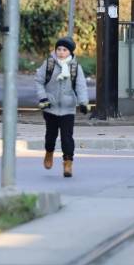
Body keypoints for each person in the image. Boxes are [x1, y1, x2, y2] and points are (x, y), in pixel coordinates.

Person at [35, 37, 89, 178]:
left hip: (68, 109)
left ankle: (68, 163)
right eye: (58, 49)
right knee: (51, 136)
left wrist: (83, 103)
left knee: (67, 137)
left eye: (64, 50)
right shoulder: (49, 64)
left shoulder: (75, 67)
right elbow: (39, 81)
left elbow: (81, 86)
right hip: (50, 107)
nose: (61, 52)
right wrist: (43, 97)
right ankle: (49, 152)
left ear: (69, 52)